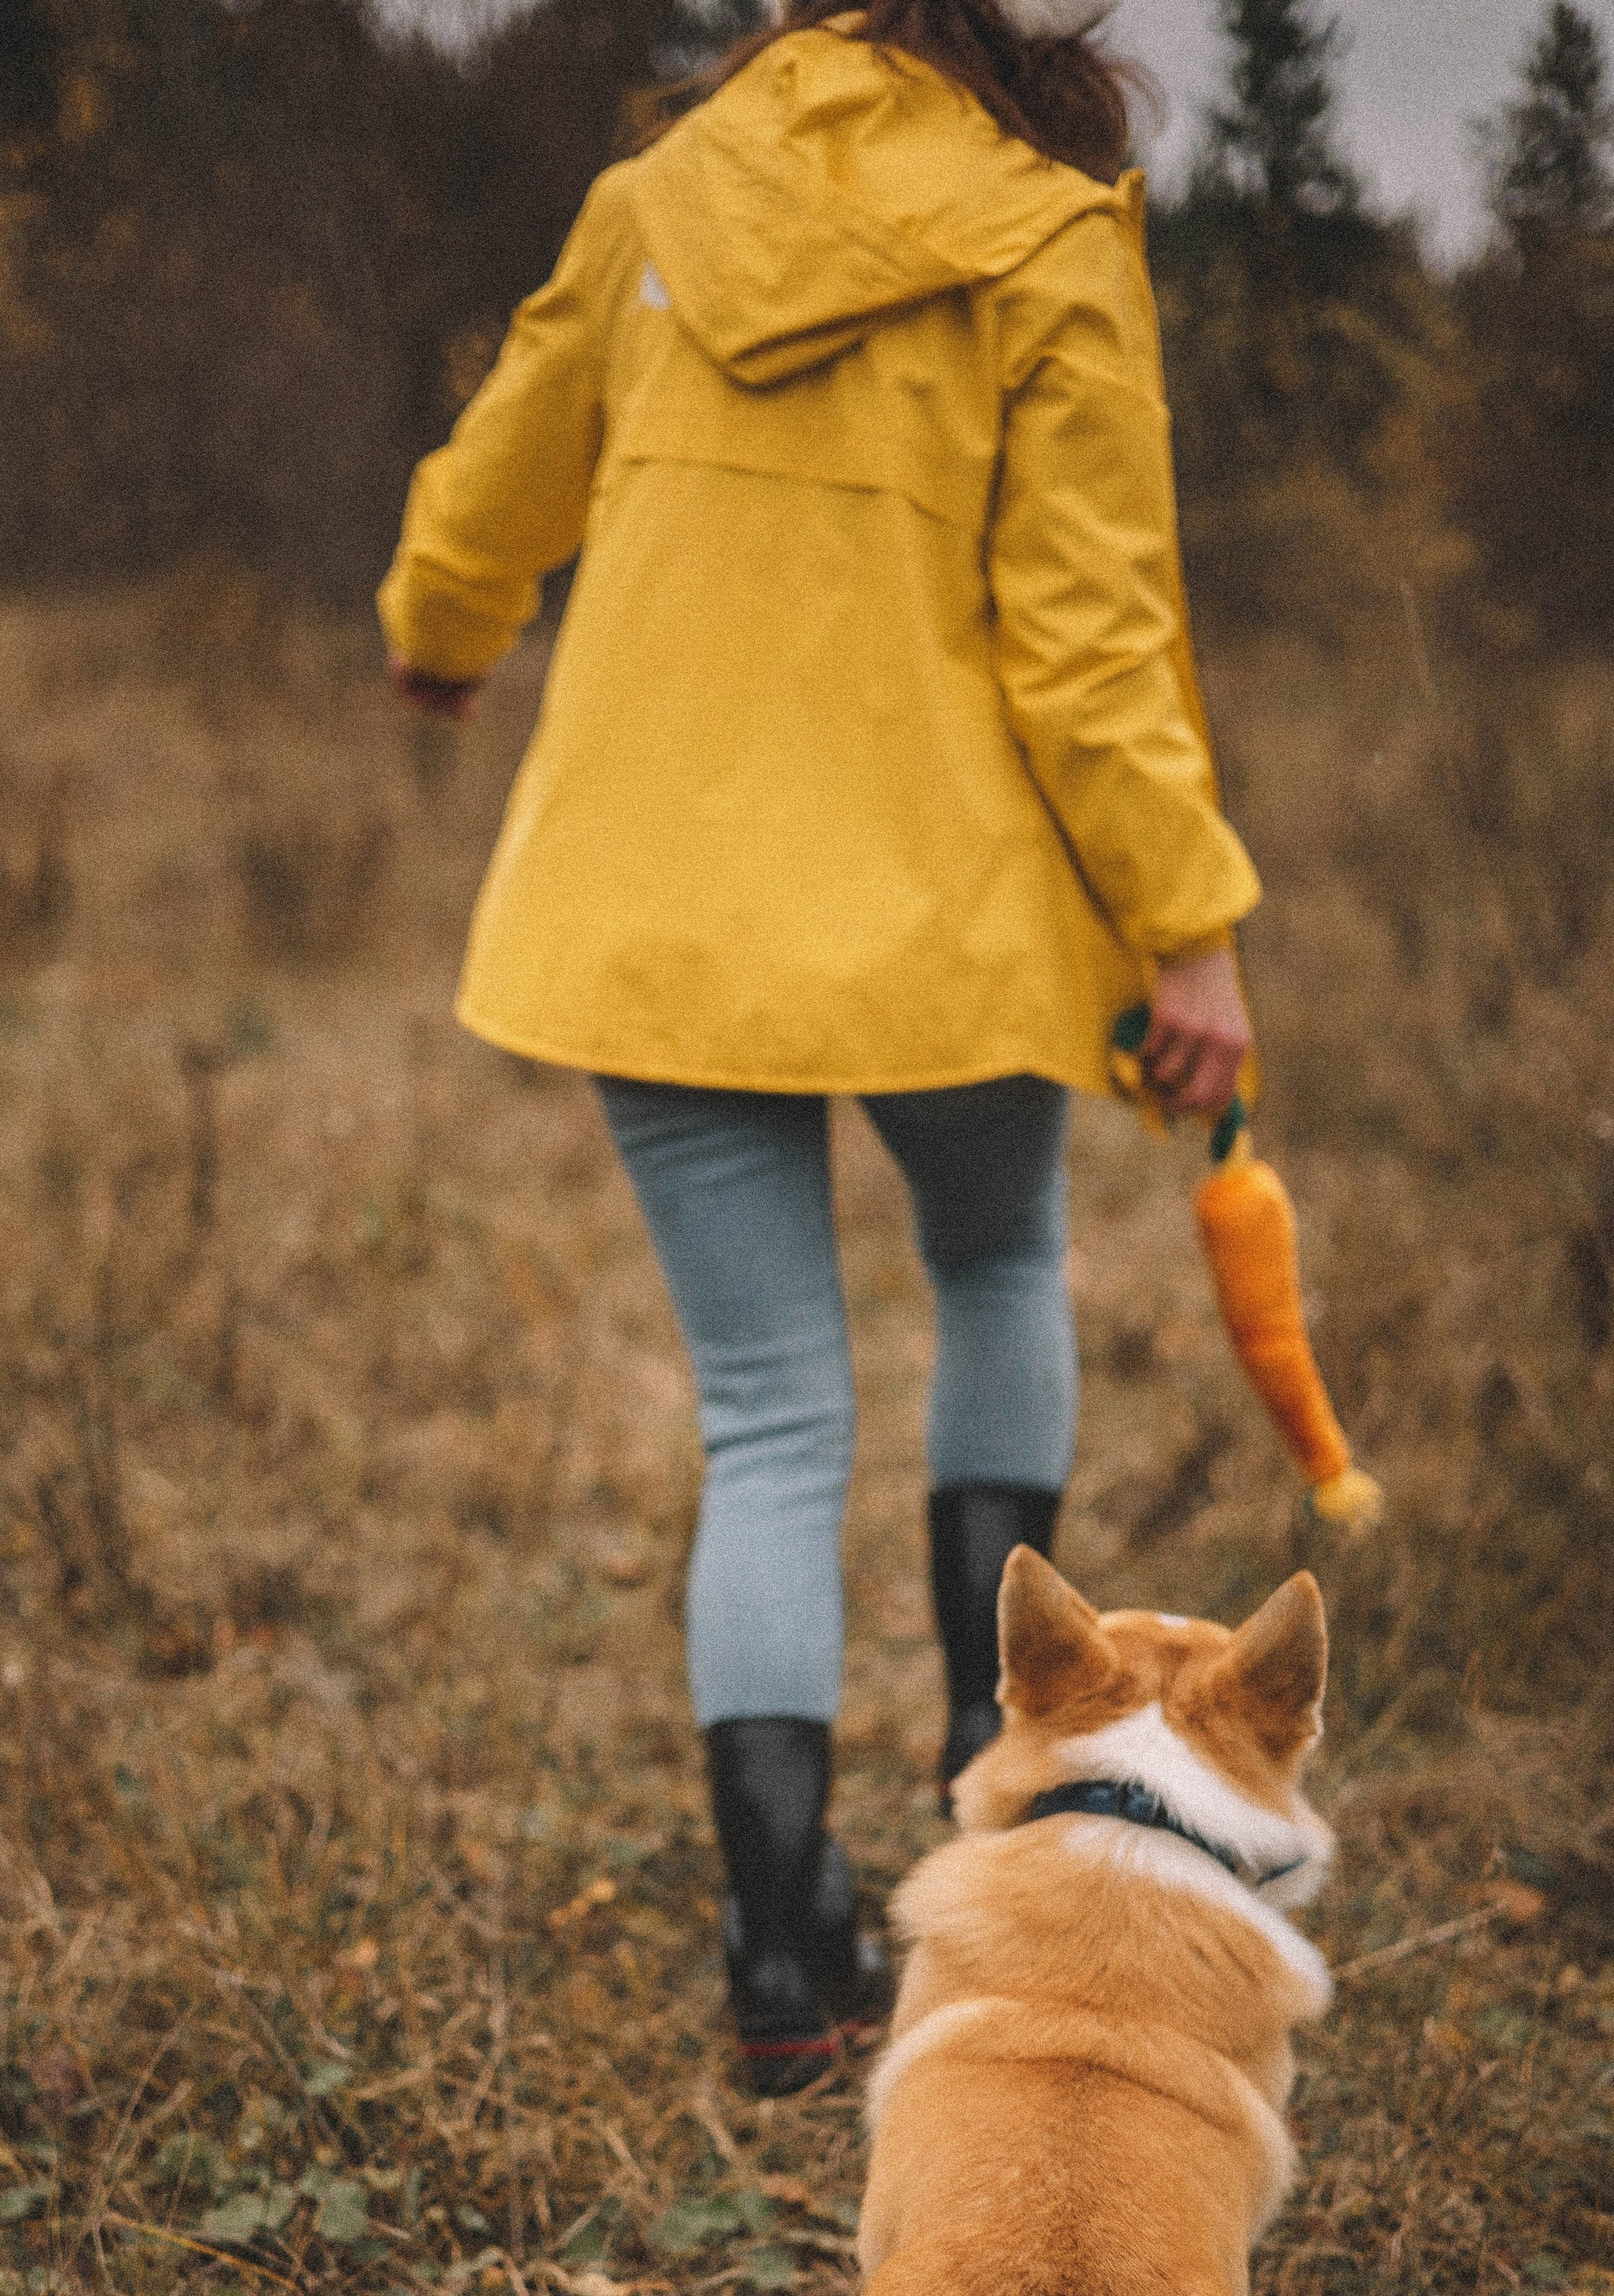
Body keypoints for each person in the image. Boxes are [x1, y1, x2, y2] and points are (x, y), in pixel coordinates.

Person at [378, 0, 1258, 2096]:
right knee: (994, 1264)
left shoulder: (653, 203)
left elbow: (504, 468)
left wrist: (439, 627)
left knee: (770, 1420)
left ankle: (784, 1963)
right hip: (944, 922)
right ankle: (996, 1776)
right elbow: (1095, 628)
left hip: (667, 912)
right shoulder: (1048, 232)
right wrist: (1191, 929)